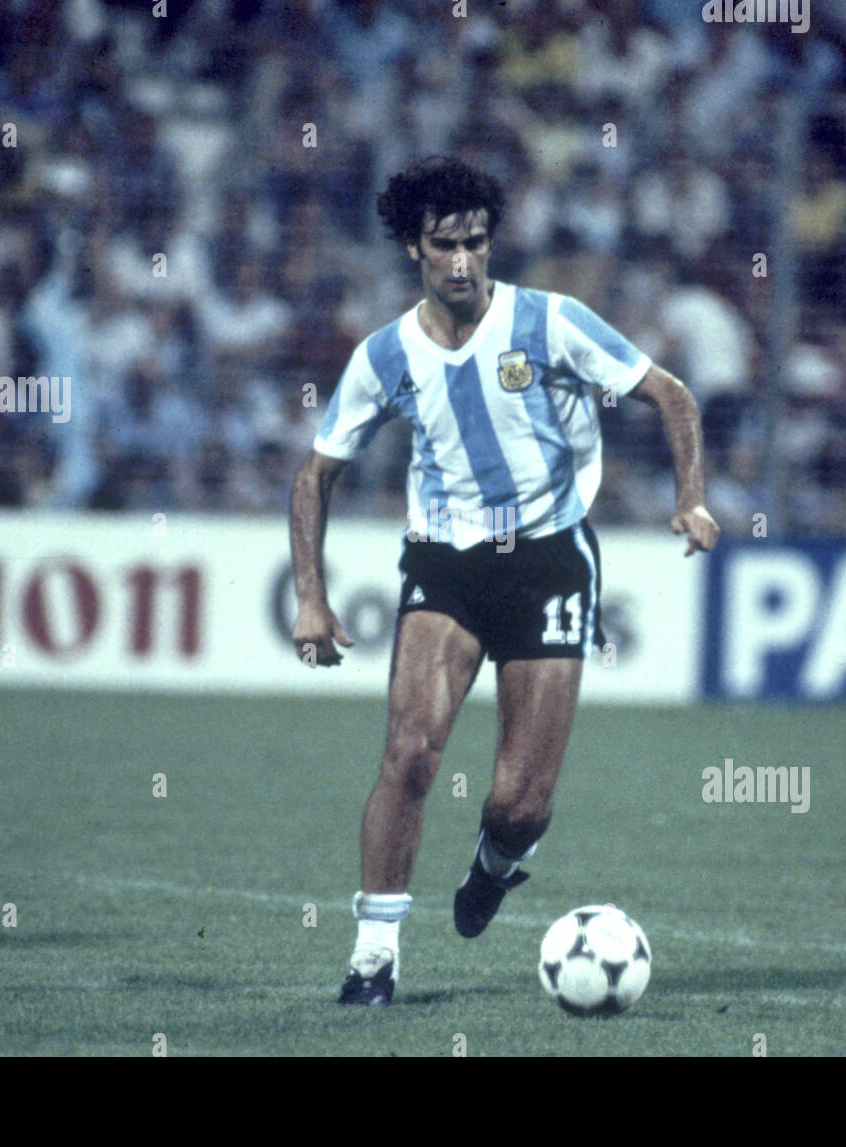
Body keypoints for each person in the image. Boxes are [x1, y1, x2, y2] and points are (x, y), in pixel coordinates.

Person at [288, 156, 719, 1006]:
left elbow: (670, 394)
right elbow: (315, 475)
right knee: (409, 754)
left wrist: (691, 500)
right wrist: (311, 595)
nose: (462, 261)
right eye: (445, 244)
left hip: (550, 561)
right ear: (414, 246)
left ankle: (493, 869)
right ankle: (373, 958)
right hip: (445, 565)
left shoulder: (551, 322)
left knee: (519, 804)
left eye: (476, 243)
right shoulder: (385, 356)